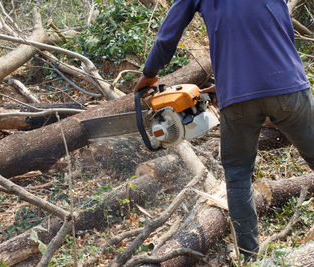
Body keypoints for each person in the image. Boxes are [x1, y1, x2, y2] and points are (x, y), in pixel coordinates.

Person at [134, 0, 314, 261]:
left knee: (239, 174)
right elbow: (266, 26)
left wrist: (150, 73)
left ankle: (250, 258)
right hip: (288, 85)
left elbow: (167, 36)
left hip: (239, 99)